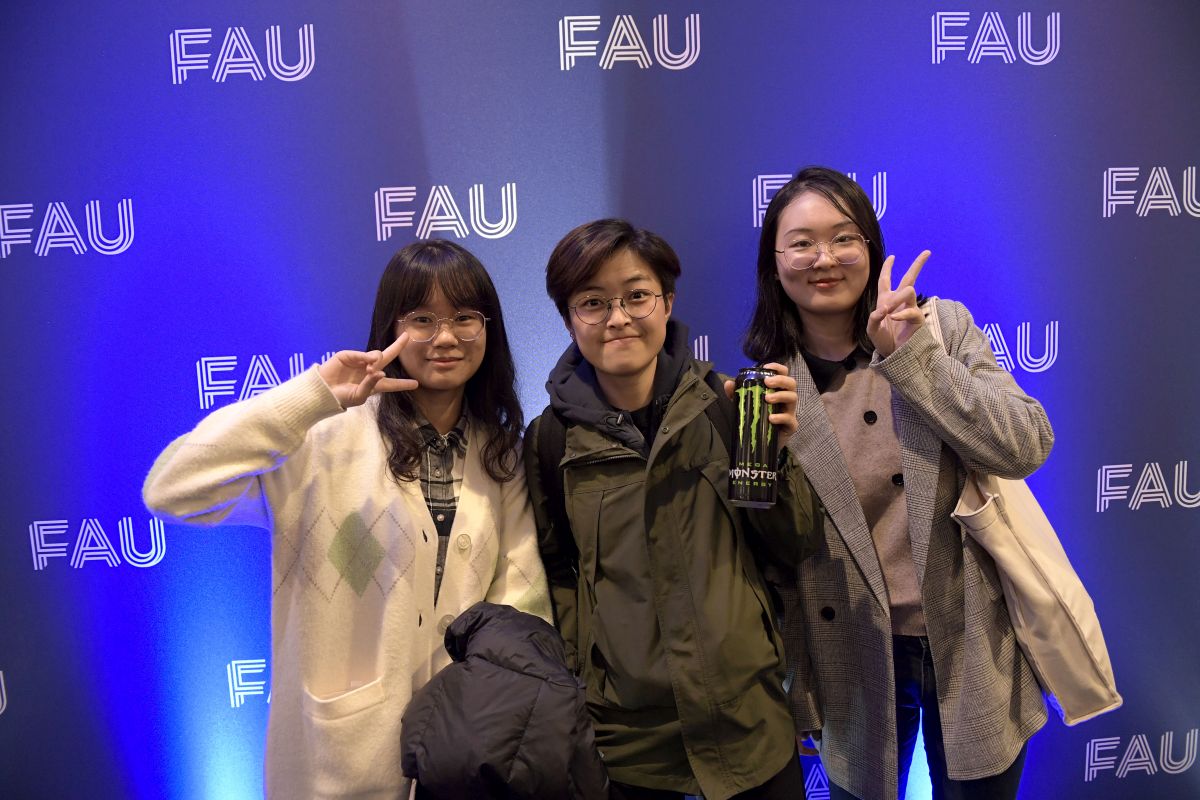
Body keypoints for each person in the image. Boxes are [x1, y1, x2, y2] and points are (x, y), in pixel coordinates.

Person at [142, 239, 551, 800]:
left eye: (464, 318)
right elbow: (174, 487)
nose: (446, 337)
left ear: (489, 328)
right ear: (391, 326)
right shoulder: (323, 438)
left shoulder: (498, 452)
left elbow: (520, 599)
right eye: (423, 319)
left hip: (464, 759)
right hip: (338, 761)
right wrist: (312, 397)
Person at [743, 166, 1054, 800]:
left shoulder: (939, 328)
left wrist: (913, 360)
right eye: (801, 242)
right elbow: (773, 556)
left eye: (844, 237)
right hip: (850, 657)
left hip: (968, 641)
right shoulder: (768, 389)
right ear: (774, 264)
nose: (824, 258)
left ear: (871, 249)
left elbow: (1027, 443)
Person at [524, 218, 817, 800]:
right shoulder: (550, 442)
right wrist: (591, 671)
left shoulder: (731, 407)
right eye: (592, 302)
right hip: (629, 743)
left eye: (637, 295)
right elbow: (557, 570)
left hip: (749, 723)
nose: (618, 317)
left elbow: (795, 545)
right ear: (567, 319)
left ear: (667, 302)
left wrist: (778, 459)